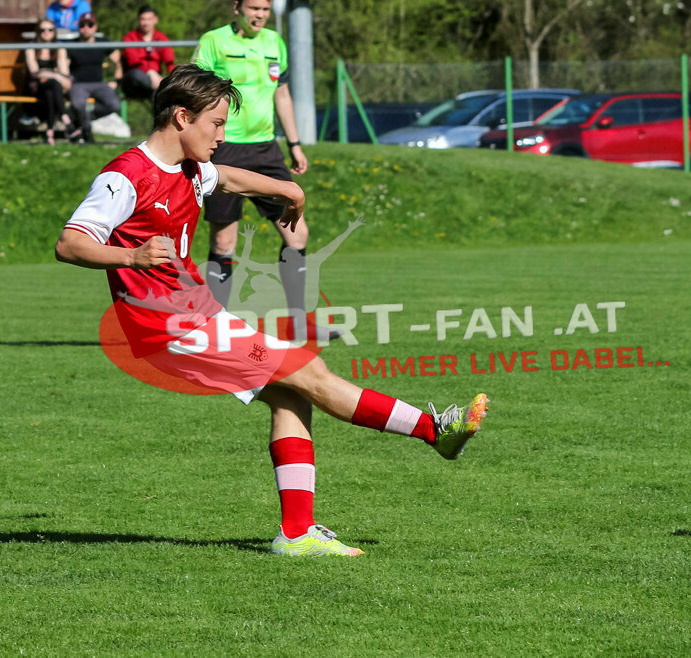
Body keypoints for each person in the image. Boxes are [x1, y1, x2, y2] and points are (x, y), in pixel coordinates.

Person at [55, 64, 488, 557]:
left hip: (198, 315)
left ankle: (297, 534)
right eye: (216, 124)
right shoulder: (125, 176)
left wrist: (287, 190)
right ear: (181, 117)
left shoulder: (191, 168)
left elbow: (228, 178)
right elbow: (70, 244)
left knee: (291, 397)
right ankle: (435, 431)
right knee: (310, 371)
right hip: (171, 325)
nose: (222, 136)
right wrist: (131, 256)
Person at [193, 0, 311, 325]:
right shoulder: (213, 41)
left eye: (265, 9)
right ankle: (219, 326)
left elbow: (282, 94)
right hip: (224, 149)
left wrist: (294, 143)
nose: (259, 15)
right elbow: (195, 93)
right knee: (224, 241)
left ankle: (298, 321)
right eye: (253, 8)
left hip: (266, 150)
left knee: (297, 233)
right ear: (237, 8)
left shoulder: (275, 42)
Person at [65, 12, 121, 143]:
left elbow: (119, 61)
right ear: (78, 27)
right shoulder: (71, 45)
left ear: (95, 27)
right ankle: (86, 131)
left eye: (89, 25)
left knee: (114, 105)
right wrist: (66, 82)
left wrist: (116, 81)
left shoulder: (103, 43)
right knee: (78, 104)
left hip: (99, 84)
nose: (86, 28)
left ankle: (85, 119)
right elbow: (63, 66)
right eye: (82, 25)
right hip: (78, 84)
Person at [23, 20, 74, 144]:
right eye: (43, 30)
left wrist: (50, 75)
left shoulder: (59, 47)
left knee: (51, 91)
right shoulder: (31, 47)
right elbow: (35, 72)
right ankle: (65, 118)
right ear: (38, 32)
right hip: (36, 86)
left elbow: (65, 72)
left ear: (54, 32)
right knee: (53, 85)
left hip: (52, 87)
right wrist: (56, 75)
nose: (46, 32)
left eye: (50, 30)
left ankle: (49, 133)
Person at [120, 5, 175, 99]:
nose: (146, 23)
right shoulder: (130, 37)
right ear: (138, 20)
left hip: (156, 81)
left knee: (163, 92)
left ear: (155, 20)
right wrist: (150, 72)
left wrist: (173, 79)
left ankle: (162, 89)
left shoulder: (161, 38)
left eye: (149, 19)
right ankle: (162, 87)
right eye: (143, 19)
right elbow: (133, 61)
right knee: (136, 74)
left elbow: (170, 62)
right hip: (134, 82)